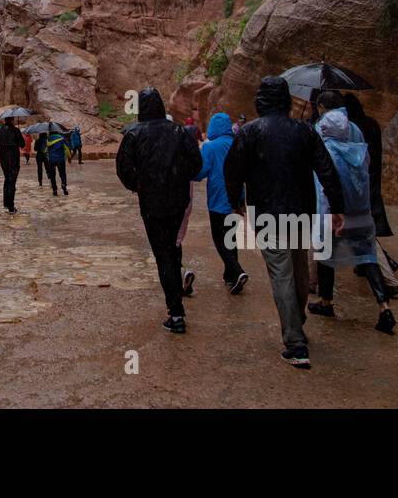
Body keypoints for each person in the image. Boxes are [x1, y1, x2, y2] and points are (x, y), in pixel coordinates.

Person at [224, 76, 345, 369]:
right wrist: (338, 207)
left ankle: (295, 341)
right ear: (287, 100)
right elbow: (326, 169)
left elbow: (232, 170)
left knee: (281, 271)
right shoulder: (305, 131)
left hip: (266, 212)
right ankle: (297, 319)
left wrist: (235, 201)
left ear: (261, 100)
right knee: (299, 264)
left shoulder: (250, 132)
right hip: (301, 210)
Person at [116, 87, 203, 334]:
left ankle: (176, 313)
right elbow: (196, 165)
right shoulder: (180, 131)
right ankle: (178, 295)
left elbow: (124, 170)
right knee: (173, 247)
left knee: (163, 253)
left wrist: (141, 186)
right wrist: (176, 179)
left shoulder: (134, 134)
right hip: (177, 200)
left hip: (152, 203)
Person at [307, 109, 396, 334]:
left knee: (326, 259)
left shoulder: (326, 152)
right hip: (362, 216)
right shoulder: (359, 152)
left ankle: (326, 302)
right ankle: (383, 305)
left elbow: (325, 188)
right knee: (368, 259)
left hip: (335, 217)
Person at [185, 112, 248, 296]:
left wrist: (188, 172)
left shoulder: (210, 147)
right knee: (231, 238)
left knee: (219, 239)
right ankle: (230, 276)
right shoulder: (238, 143)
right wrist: (242, 200)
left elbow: (201, 172)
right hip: (235, 201)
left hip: (217, 200)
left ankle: (237, 271)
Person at [344, 92, 398, 291]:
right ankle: (368, 263)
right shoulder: (372, 124)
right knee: (365, 223)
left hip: (358, 178)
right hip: (372, 175)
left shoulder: (352, 128)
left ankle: (385, 266)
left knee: (360, 228)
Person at [0, 117, 24, 213]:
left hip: (3, 158)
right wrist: (18, 135)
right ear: (12, 120)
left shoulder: (0, 131)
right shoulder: (16, 130)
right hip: (13, 158)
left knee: (7, 178)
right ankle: (11, 206)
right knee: (12, 181)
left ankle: (6, 202)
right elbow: (22, 144)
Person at [45, 130, 69, 196]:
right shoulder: (62, 139)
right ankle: (64, 185)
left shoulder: (48, 140)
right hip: (61, 159)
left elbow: (45, 151)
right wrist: (69, 157)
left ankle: (54, 189)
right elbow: (67, 149)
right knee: (62, 174)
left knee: (52, 175)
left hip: (52, 160)